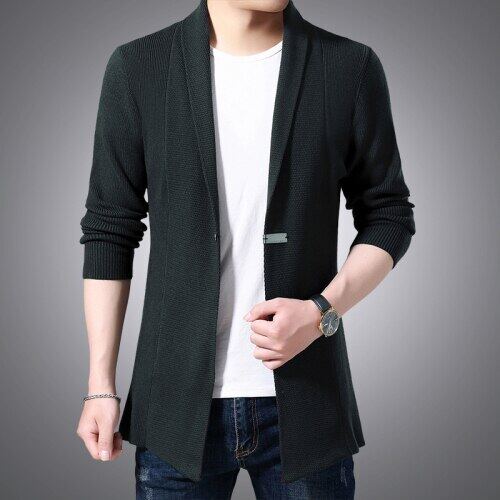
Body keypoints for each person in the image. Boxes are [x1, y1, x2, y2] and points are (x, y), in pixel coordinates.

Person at [76, 0, 415, 498]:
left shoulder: (348, 66)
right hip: (173, 410)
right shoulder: (139, 67)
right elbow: (110, 228)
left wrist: (321, 312)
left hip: (307, 406)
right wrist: (100, 385)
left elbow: (389, 214)